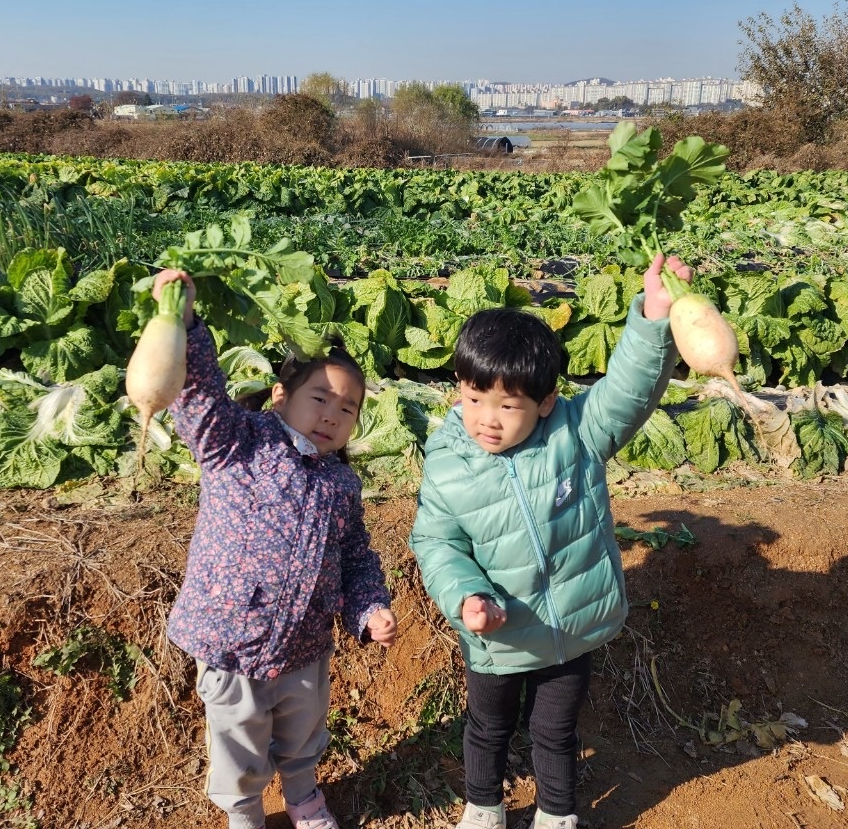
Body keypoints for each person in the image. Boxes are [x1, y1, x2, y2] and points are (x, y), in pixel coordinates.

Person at [409, 254, 691, 829]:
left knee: (555, 731)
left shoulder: (576, 435)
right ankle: (483, 806)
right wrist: (466, 598)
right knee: (487, 728)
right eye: (473, 399)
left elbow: (629, 391)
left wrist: (655, 316)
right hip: (498, 634)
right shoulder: (447, 464)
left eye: (507, 406)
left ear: (543, 402)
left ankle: (556, 814)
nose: (487, 419)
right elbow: (437, 543)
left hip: (569, 632)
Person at [153, 269, 399, 829]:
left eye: (348, 409)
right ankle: (243, 814)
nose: (332, 415)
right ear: (281, 396)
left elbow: (357, 556)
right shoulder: (238, 444)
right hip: (230, 641)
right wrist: (184, 324)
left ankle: (304, 796)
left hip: (307, 644)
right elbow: (199, 399)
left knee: (303, 731)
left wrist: (369, 609)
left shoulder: (342, 483)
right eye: (321, 398)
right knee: (238, 745)